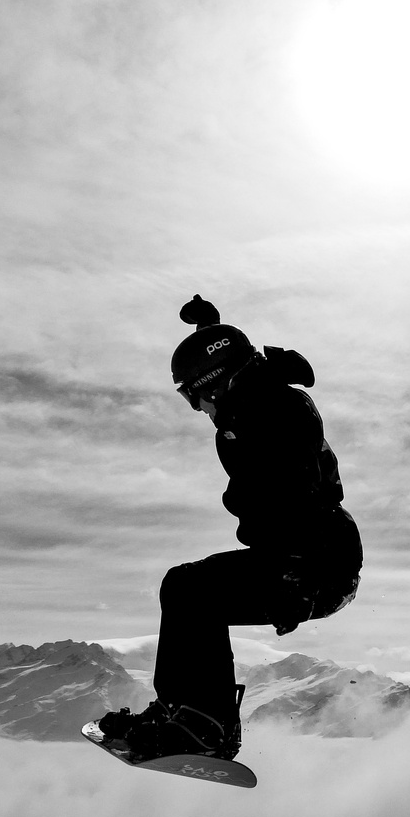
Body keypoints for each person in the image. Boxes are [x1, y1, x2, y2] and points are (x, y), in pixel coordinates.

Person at [94, 294, 362, 761]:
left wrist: (297, 572)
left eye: (192, 396)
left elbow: (300, 486)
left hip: (315, 562)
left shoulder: (276, 411)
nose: (196, 408)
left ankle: (201, 727)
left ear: (216, 385)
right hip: (301, 557)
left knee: (191, 591)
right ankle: (188, 714)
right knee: (187, 588)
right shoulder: (253, 410)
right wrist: (211, 333)